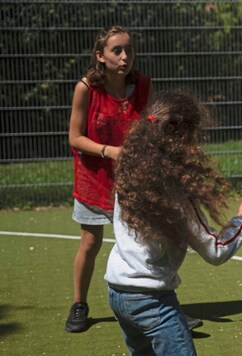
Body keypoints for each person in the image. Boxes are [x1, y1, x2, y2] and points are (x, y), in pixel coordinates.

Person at [105, 89, 242, 355]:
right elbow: (215, 251)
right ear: (184, 138)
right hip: (152, 301)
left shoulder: (130, 174)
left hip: (117, 291)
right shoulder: (177, 194)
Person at [66, 25, 152, 333]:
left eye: (129, 49)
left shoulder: (142, 84)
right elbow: (75, 138)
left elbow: (146, 127)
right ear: (100, 56)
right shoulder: (87, 88)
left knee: (141, 245)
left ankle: (159, 306)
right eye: (117, 50)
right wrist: (109, 151)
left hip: (131, 180)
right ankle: (79, 304)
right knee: (90, 243)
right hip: (94, 179)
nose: (125, 56)